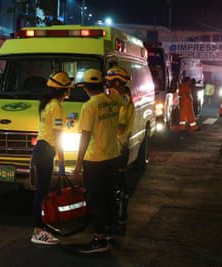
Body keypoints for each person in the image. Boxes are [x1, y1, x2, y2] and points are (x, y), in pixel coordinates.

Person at [74, 69, 123, 253]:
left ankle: (100, 239)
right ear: (102, 84)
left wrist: (78, 165)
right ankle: (108, 230)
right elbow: (125, 97)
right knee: (109, 196)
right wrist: (110, 86)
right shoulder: (114, 99)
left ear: (85, 87)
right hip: (113, 156)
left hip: (95, 159)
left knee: (96, 200)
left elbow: (84, 137)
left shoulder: (89, 106)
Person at [30, 71, 72, 245]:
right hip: (46, 150)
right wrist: (62, 160)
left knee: (43, 190)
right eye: (68, 87)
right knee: (41, 191)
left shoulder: (47, 104)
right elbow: (58, 135)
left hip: (41, 149)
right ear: (63, 90)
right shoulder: (56, 106)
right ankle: (38, 231)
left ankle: (41, 227)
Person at [105, 66, 134, 236]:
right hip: (120, 148)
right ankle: (119, 218)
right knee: (119, 183)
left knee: (116, 185)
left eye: (110, 83)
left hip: (118, 149)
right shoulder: (122, 98)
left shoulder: (123, 101)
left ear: (117, 82)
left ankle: (117, 219)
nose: (107, 86)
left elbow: (120, 127)